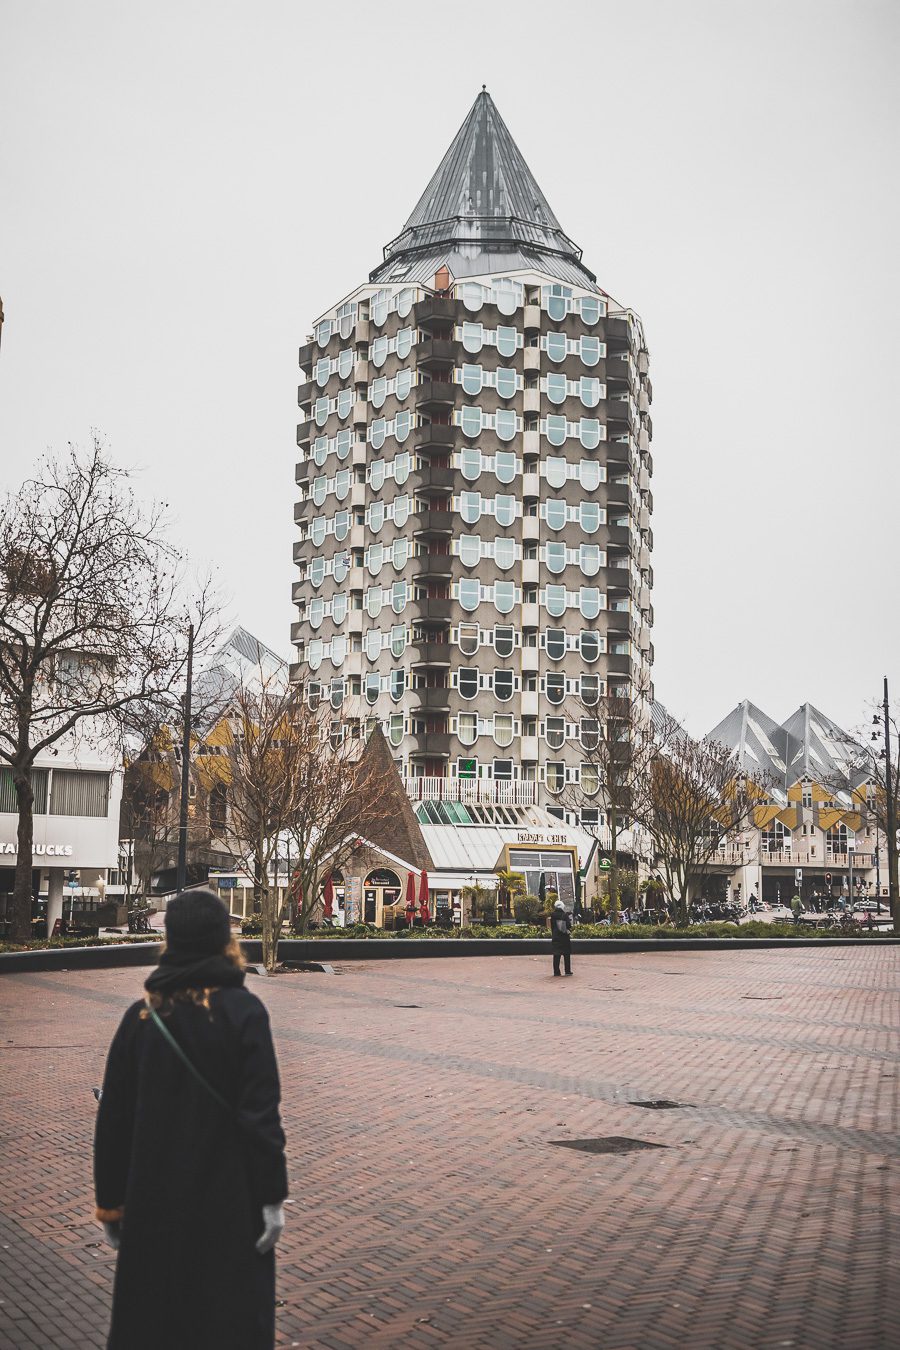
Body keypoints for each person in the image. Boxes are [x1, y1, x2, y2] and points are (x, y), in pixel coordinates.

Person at [93, 890, 288, 1350]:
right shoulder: (244, 1013)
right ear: (225, 941)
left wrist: (113, 1203)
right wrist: (271, 1198)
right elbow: (260, 1117)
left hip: (153, 1206)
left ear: (170, 941)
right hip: (229, 1207)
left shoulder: (140, 1017)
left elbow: (114, 1119)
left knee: (155, 1325)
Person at [550, 898, 573, 976]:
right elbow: (569, 926)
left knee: (556, 955)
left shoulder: (552, 915)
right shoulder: (564, 915)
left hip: (556, 936)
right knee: (566, 954)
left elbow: (552, 926)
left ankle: (556, 972)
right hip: (564, 937)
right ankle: (567, 971)